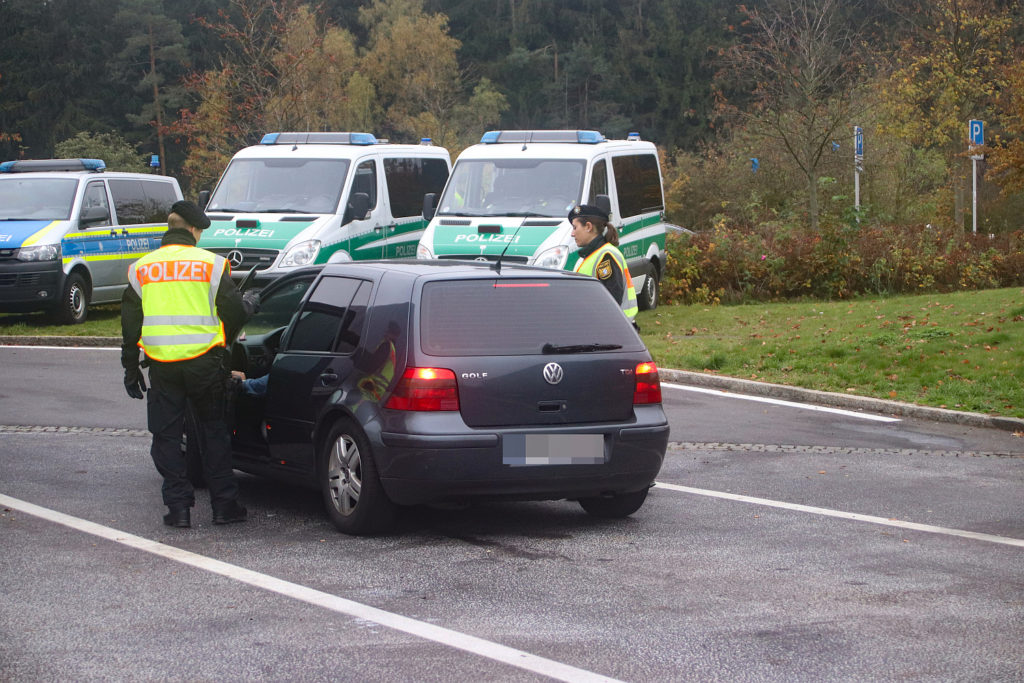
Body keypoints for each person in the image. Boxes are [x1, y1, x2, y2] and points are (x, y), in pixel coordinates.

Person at [121, 200, 258, 528]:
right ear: (194, 230)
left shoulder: (142, 268)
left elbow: (130, 325)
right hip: (205, 364)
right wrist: (249, 306)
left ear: (170, 227)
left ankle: (178, 509)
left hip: (162, 366)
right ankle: (225, 506)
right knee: (214, 432)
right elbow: (234, 312)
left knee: (167, 437)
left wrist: (129, 367)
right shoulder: (211, 264)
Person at [568, 204, 639, 324]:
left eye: (575, 227)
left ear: (588, 227)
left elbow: (611, 300)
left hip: (614, 328)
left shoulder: (606, 256)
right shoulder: (589, 256)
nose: (572, 233)